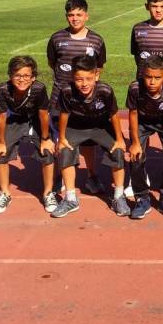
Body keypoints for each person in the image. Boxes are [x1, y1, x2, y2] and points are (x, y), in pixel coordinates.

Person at [51, 55, 127, 218]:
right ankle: (70, 198)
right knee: (65, 151)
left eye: (88, 79)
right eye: (79, 79)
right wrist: (62, 138)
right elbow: (64, 114)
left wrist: (120, 139)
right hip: (76, 127)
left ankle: (119, 197)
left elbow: (114, 115)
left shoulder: (105, 90)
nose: (84, 83)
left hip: (100, 126)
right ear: (73, 77)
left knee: (117, 151)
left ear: (96, 75)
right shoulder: (67, 91)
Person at [46, 0, 106, 194]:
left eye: (79, 14)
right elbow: (53, 63)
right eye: (71, 15)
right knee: (60, 141)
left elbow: (99, 69)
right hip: (59, 101)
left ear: (86, 16)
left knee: (88, 142)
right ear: (66, 16)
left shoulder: (97, 40)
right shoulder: (57, 38)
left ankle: (92, 176)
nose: (75, 18)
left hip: (86, 102)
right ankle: (59, 177)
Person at [0, 56, 56, 214]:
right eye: (17, 75)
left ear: (33, 77)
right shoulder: (3, 90)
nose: (21, 79)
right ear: (10, 76)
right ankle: (5, 193)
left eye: (26, 75)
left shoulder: (39, 89)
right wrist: (0, 141)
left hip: (35, 119)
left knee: (47, 151)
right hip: (15, 120)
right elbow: (1, 116)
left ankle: (48, 193)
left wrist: (46, 139)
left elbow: (43, 114)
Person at [126, 55, 163, 219]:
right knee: (136, 156)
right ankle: (142, 198)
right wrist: (135, 142)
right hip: (143, 122)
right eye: (148, 77)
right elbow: (133, 114)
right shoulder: (135, 88)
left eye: (157, 78)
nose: (152, 82)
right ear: (142, 74)